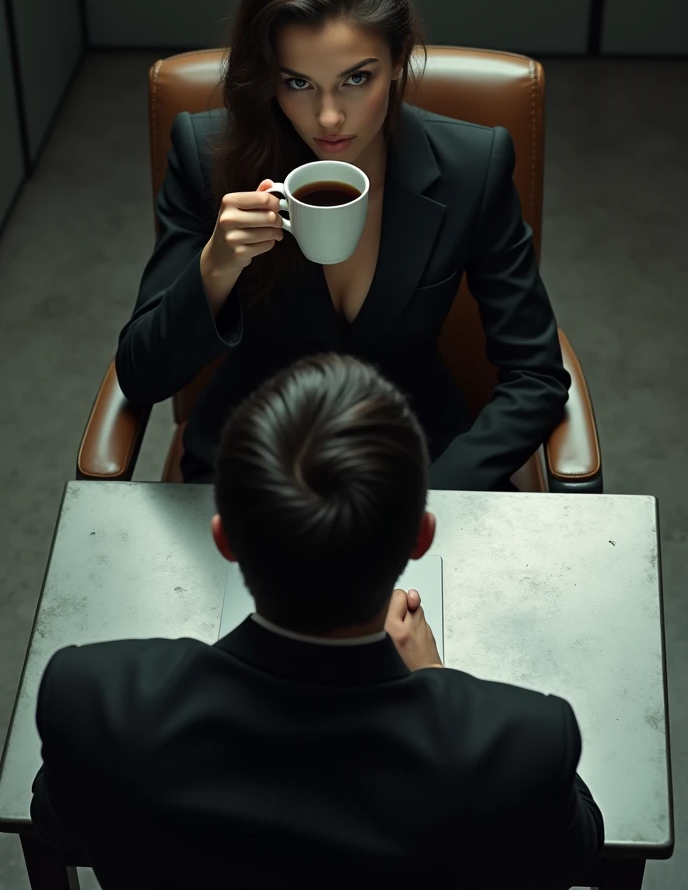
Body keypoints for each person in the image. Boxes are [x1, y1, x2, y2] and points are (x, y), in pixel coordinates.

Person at [31, 353, 603, 889]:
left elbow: (59, 824)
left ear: (224, 539)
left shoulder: (92, 701)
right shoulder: (521, 744)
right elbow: (576, 852)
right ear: (422, 537)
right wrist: (437, 680)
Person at [115, 0, 571, 491]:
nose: (329, 118)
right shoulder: (208, 157)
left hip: (419, 463)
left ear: (400, 58)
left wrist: (432, 498)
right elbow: (141, 375)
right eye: (298, 83)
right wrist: (215, 267)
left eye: (357, 79)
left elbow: (536, 374)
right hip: (254, 467)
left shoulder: (471, 169)